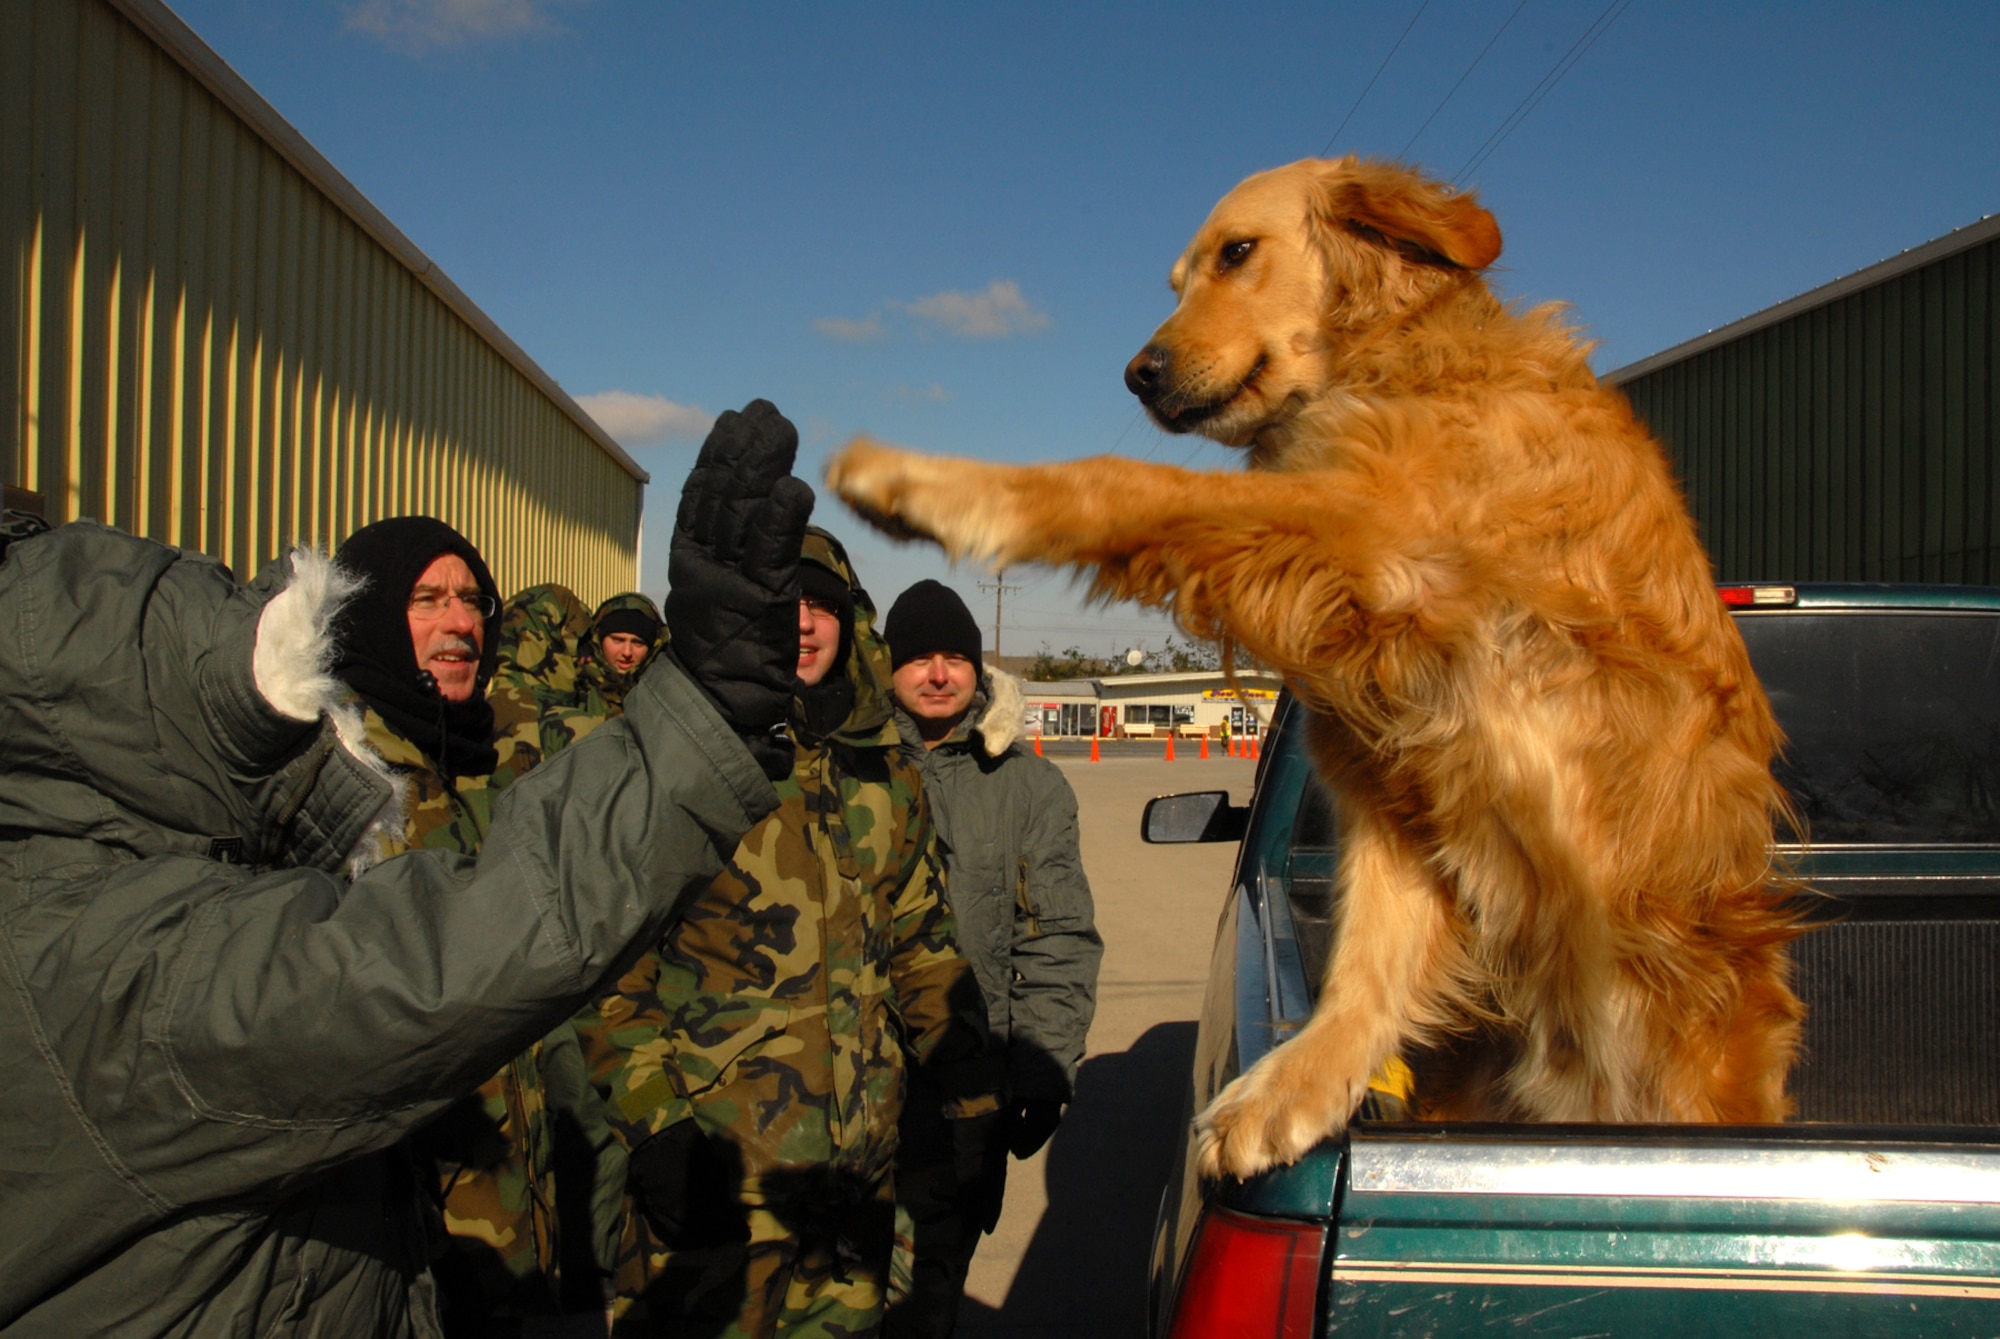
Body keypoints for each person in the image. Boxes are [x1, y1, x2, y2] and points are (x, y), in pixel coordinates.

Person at [0, 400, 812, 1336]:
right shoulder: (133, 952)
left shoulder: (518, 754)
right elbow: (445, 959)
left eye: (473, 597)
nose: (460, 621)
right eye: (427, 599)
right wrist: (706, 712)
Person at [577, 521, 1005, 1338]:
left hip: (853, 1195)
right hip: (718, 1202)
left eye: (822, 603)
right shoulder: (665, 766)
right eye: (782, 601)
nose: (803, 622)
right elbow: (605, 971)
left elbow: (926, 951)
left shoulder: (884, 773)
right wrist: (657, 1129)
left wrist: (972, 1095)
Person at [878, 580, 1103, 1339]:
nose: (938, 673)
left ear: (977, 669)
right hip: (842, 1089)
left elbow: (1058, 934)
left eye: (953, 657)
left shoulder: (1029, 785)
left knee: (925, 1301)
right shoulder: (846, 767)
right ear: (888, 667)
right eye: (918, 657)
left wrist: (1041, 1068)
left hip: (963, 1098)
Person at [585, 592, 664, 711]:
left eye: (638, 643)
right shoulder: (573, 687)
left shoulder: (664, 697)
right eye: (618, 640)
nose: (627, 652)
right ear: (599, 640)